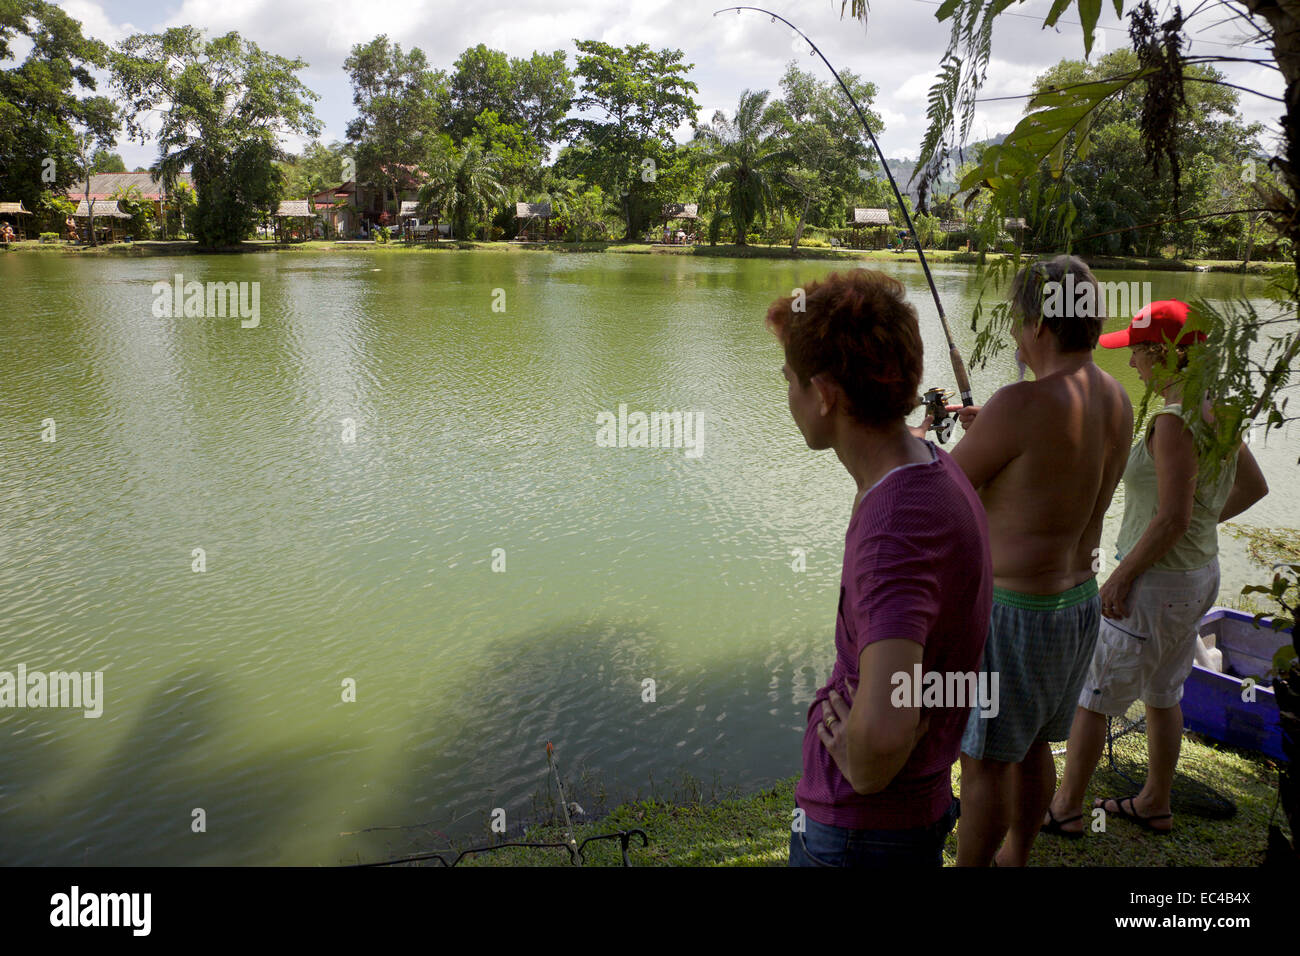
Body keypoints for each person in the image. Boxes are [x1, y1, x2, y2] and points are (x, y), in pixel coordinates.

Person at [768, 269, 993, 867]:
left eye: (788, 380)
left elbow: (887, 734)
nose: (786, 394)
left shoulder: (894, 527)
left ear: (823, 394)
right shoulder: (933, 467)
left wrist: (861, 756)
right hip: (908, 809)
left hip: (863, 831)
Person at [1044, 300, 1269, 836]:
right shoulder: (1219, 408)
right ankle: (1154, 801)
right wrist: (1199, 526)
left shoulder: (1173, 421)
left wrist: (1122, 575)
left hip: (1155, 583)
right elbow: (1251, 489)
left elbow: (1171, 517)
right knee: (1164, 694)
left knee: (1094, 697)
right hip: (1198, 575)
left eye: (1141, 353)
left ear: (1162, 354)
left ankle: (1067, 809)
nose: (1136, 364)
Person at [944, 254, 1133, 867]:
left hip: (1014, 613)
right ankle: (1016, 856)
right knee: (1030, 752)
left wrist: (923, 443)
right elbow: (1051, 473)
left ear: (1043, 327)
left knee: (984, 764)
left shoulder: (1020, 403)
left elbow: (946, 492)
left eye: (1023, 321)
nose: (1020, 335)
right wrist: (991, 430)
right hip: (1076, 603)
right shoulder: (1116, 398)